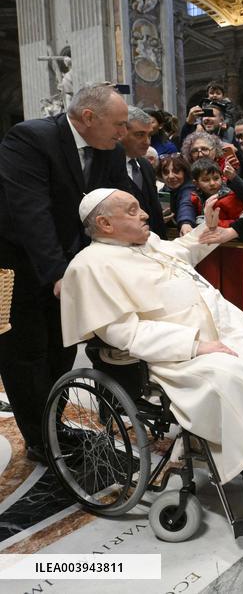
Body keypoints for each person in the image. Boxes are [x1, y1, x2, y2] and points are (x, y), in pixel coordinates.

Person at [61, 189, 243, 521]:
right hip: (170, 355)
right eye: (132, 211)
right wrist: (194, 344)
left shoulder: (147, 245)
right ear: (105, 223)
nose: (145, 214)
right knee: (229, 374)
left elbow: (183, 251)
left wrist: (208, 229)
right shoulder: (90, 266)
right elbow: (125, 334)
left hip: (218, 330)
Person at [0, 83, 130, 461]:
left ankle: (53, 424)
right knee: (26, 353)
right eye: (118, 125)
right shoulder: (30, 138)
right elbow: (31, 214)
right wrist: (59, 274)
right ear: (88, 118)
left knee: (61, 347)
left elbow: (119, 205)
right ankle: (41, 439)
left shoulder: (110, 150)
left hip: (69, 266)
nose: (122, 133)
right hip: (18, 266)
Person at [122, 106, 166, 237]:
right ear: (120, 132)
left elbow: (155, 211)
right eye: (140, 135)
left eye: (149, 135)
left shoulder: (146, 165)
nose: (147, 142)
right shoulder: (106, 167)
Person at [190, 159, 243, 227]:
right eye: (206, 180)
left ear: (222, 178)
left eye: (216, 178)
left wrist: (215, 223)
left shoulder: (230, 198)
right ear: (196, 183)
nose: (212, 183)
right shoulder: (195, 197)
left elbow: (241, 221)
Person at [158, 154, 197, 235]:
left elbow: (186, 204)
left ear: (185, 172)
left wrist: (186, 223)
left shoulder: (190, 188)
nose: (171, 176)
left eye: (176, 171)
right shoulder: (163, 192)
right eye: (166, 172)